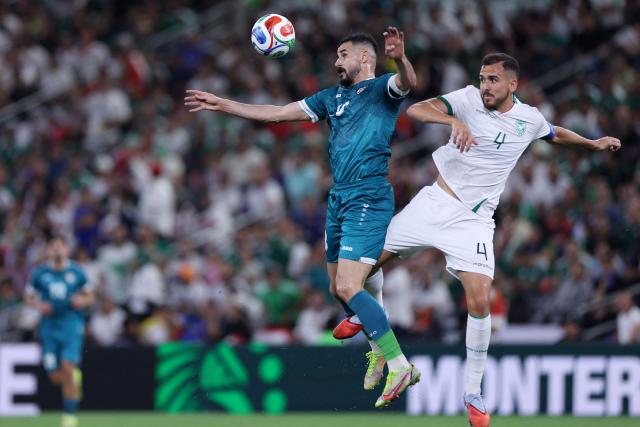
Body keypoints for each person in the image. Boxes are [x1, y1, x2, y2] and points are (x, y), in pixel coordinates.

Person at [333, 52, 621, 426]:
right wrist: (452, 120)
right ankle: (375, 327)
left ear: (512, 84)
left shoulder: (528, 119)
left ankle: (473, 393)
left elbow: (554, 133)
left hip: (474, 221)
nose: (485, 86)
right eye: (483, 78)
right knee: (365, 263)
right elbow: (417, 110)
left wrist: (593, 143)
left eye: (493, 80)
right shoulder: (467, 98)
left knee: (481, 298)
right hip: (435, 201)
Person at [185, 27, 420, 407]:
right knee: (337, 288)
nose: (336, 61)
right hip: (340, 197)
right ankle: (377, 344)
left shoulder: (380, 91)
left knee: (349, 287)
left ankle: (398, 363)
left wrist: (401, 58)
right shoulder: (331, 98)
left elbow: (408, 82)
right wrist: (223, 104)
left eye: (343, 54)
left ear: (365, 58)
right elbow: (278, 114)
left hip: (368, 195)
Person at [24, 236, 94, 427]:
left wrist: (82, 301)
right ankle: (72, 377)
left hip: (71, 324)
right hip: (49, 326)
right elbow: (28, 296)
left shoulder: (76, 272)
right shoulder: (39, 273)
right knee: (55, 376)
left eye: (59, 247)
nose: (56, 250)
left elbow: (90, 295)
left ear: (66, 249)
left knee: (67, 366)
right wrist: (38, 305)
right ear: (48, 250)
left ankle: (70, 416)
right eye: (53, 247)